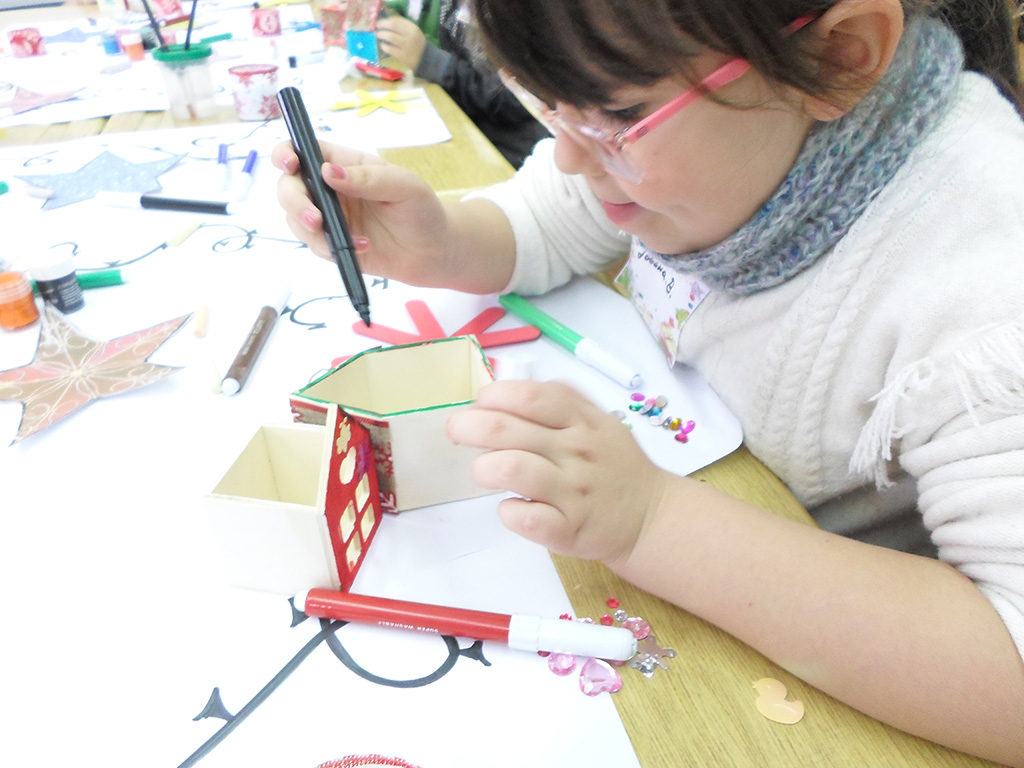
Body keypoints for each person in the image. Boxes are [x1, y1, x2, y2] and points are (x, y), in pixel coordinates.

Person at [274, 0, 1024, 764]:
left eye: (617, 115)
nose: (570, 156)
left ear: (842, 56)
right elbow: (550, 218)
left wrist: (653, 523)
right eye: (545, 102)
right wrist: (438, 242)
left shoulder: (986, 280)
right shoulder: (711, 139)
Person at [373, 0, 551, 167]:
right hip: (463, 125)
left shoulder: (514, 10)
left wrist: (431, 61)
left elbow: (517, 102)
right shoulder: (451, 5)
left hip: (507, 151)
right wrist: (377, 17)